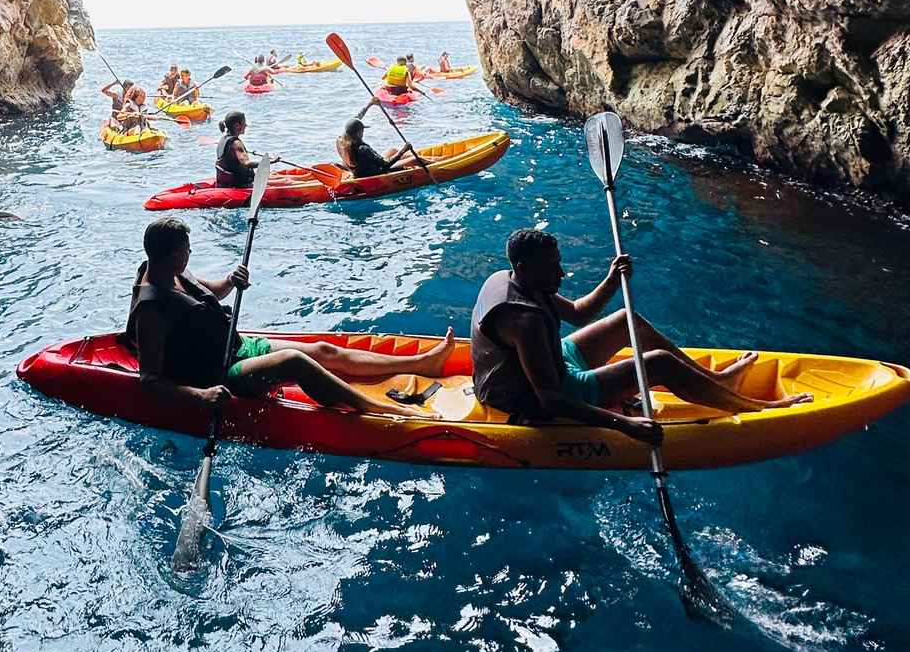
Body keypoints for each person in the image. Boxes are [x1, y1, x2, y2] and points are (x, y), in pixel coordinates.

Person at [470, 228, 811, 443]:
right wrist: (623, 425)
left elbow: (577, 314)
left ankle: (717, 380)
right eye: (553, 268)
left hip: (554, 360)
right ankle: (757, 407)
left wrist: (611, 280)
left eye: (559, 263)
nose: (561, 272)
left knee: (624, 319)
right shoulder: (523, 321)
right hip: (534, 394)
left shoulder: (519, 277)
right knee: (658, 364)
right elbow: (550, 399)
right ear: (526, 268)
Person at [127, 218, 453, 415]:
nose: (189, 254)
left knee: (325, 351)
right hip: (219, 372)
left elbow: (208, 291)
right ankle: (374, 408)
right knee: (294, 361)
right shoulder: (151, 311)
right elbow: (149, 381)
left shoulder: (170, 271)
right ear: (172, 255)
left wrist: (229, 281)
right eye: (187, 250)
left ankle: (421, 364)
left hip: (232, 346)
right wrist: (201, 396)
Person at [336, 104, 423, 177]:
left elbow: (353, 121)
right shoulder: (363, 149)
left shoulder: (341, 142)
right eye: (362, 131)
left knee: (393, 150)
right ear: (359, 133)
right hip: (376, 172)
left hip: (364, 169)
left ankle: (426, 158)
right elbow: (386, 165)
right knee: (416, 159)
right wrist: (403, 150)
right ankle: (434, 163)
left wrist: (370, 104)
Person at [214, 111, 272, 188]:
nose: (246, 125)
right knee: (286, 181)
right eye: (244, 123)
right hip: (241, 184)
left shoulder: (223, 139)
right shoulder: (236, 143)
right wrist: (270, 161)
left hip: (228, 181)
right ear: (237, 126)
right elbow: (247, 163)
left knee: (275, 177)